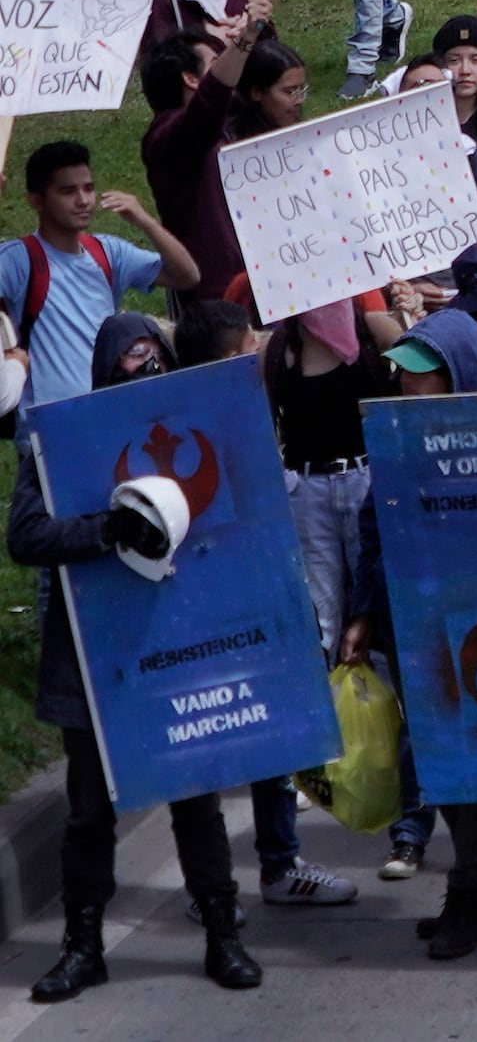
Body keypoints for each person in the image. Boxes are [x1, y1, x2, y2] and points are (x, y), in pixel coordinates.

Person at [10, 349, 252, 1001]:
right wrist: (107, 529)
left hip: (176, 644)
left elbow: (244, 522)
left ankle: (223, 933)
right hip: (94, 652)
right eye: (126, 364)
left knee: (196, 799)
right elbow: (26, 535)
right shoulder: (59, 439)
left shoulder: (197, 425)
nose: (139, 374)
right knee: (88, 810)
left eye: (151, 362)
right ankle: (82, 946)